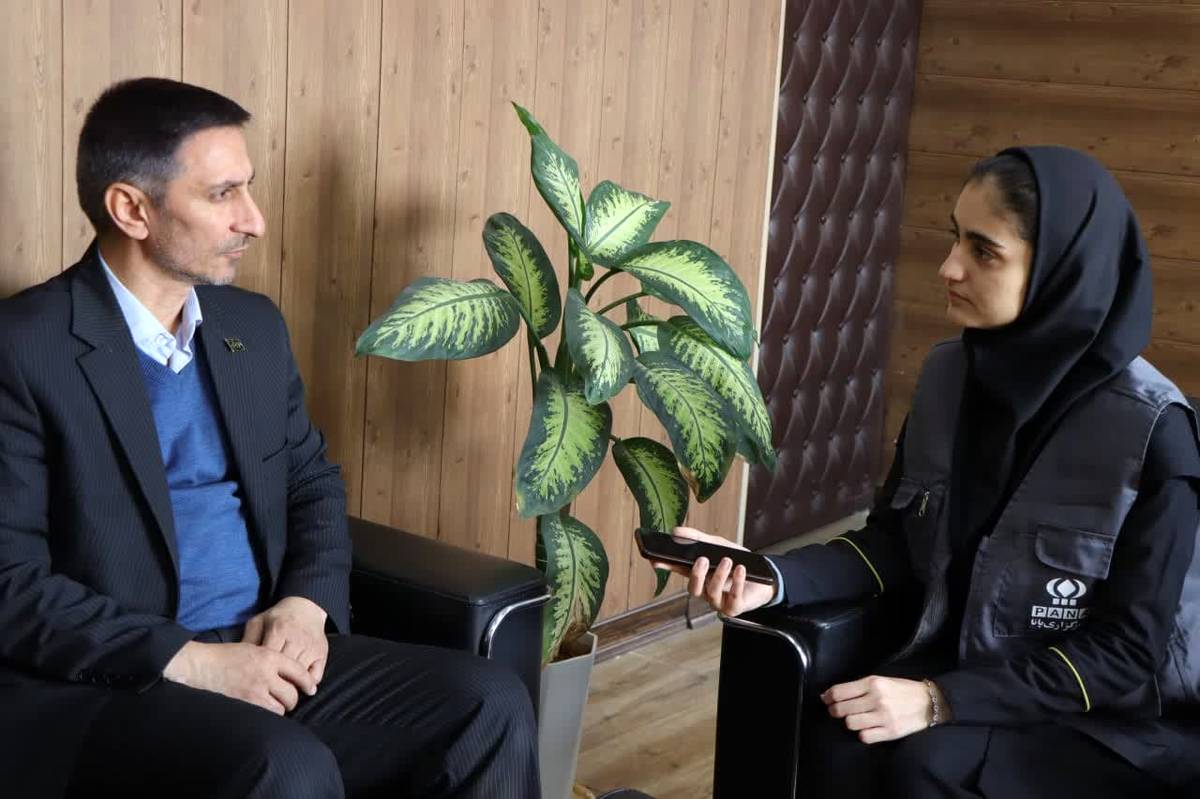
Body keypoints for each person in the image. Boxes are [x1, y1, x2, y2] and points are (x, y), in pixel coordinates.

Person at [0, 77, 540, 799]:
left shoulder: (250, 327)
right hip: (120, 680)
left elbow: (311, 482)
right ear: (131, 208)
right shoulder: (24, 349)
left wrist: (306, 604)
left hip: (263, 644)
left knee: (488, 702)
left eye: (248, 188)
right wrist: (195, 661)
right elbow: (11, 583)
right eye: (223, 194)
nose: (254, 220)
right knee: (285, 764)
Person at [657, 146, 1200, 798]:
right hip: (973, 666)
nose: (949, 266)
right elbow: (893, 544)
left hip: (1106, 719)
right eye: (954, 237)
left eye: (984, 251)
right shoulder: (950, 378)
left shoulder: (1154, 432)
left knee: (924, 766)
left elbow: (1126, 653)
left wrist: (939, 700)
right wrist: (769, 578)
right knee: (836, 739)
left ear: (1064, 268)